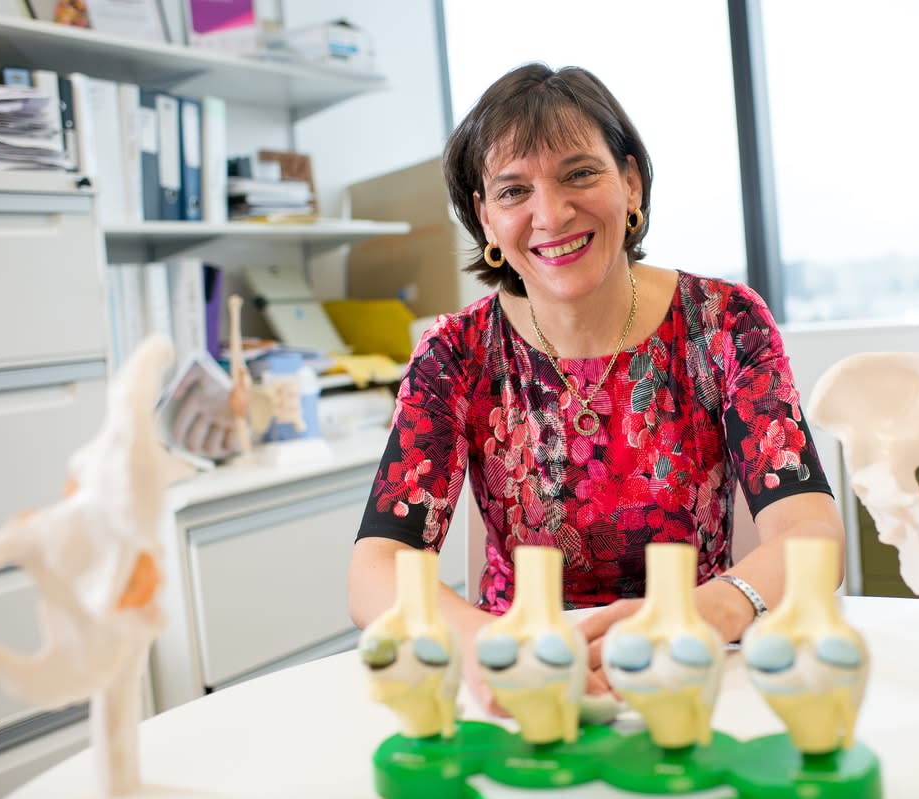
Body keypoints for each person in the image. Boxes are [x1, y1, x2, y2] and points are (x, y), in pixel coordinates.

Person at [348, 63, 844, 712]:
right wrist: (478, 639)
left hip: (688, 670)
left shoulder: (726, 322)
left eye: (580, 173)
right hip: (523, 684)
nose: (550, 213)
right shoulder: (455, 353)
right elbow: (374, 569)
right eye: (513, 191)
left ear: (630, 182)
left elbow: (815, 534)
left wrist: (715, 607)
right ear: (486, 219)